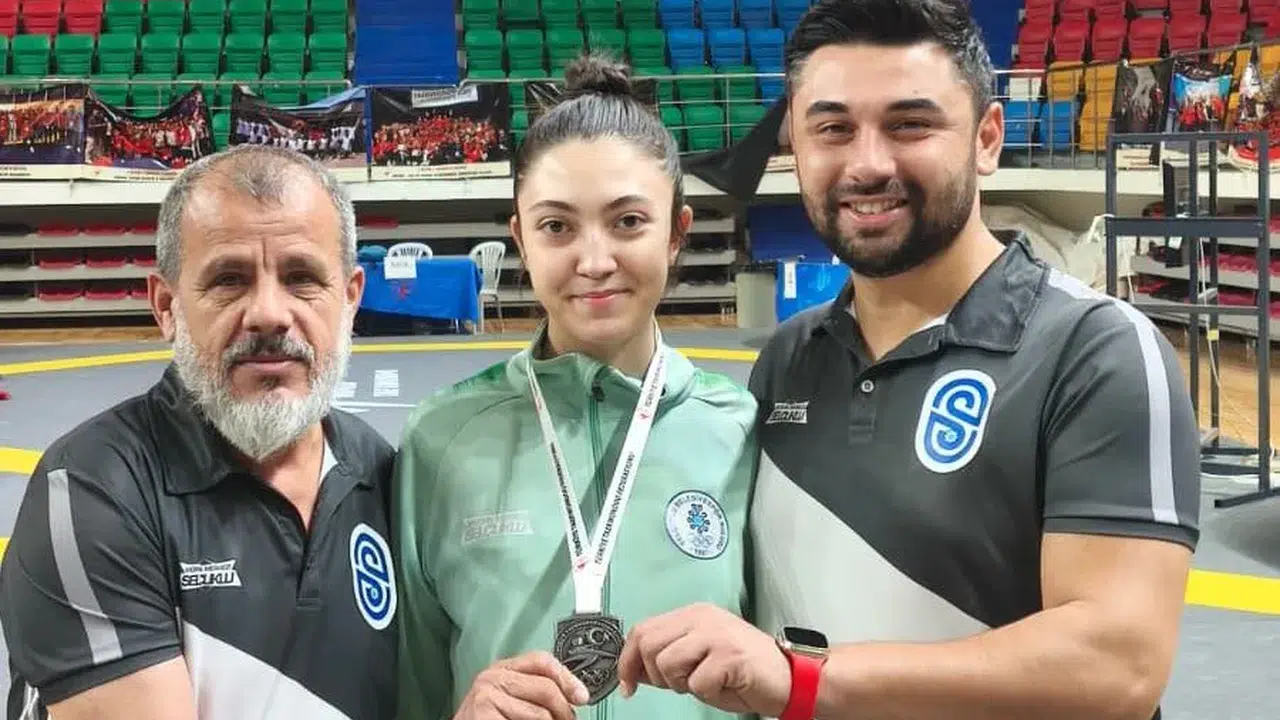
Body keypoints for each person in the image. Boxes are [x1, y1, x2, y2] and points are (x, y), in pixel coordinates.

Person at [615, 1, 1202, 719]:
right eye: (833, 129)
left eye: (910, 124)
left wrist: (807, 681)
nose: (868, 164)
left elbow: (1117, 664)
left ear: (987, 139)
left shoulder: (1094, 352)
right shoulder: (790, 358)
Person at [394, 53, 758, 720]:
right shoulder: (440, 440)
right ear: (521, 238)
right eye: (557, 226)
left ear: (677, 233)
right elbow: (414, 688)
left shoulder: (740, 430)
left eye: (628, 222)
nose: (594, 261)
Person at [0, 144, 398, 720]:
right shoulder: (91, 491)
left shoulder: (379, 471)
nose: (269, 313)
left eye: (302, 278)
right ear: (167, 306)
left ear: (351, 299)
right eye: (229, 280)